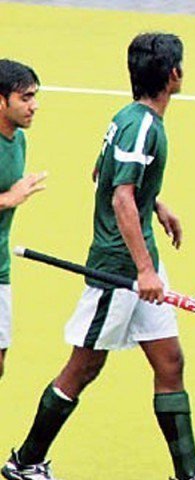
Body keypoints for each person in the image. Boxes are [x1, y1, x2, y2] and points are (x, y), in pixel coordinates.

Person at [1, 34, 195, 480]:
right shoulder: (143, 127)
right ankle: (25, 461)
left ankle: (189, 473)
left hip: (141, 261)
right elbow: (119, 196)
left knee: (170, 362)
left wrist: (154, 203)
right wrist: (144, 269)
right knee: (83, 367)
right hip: (119, 268)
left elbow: (104, 173)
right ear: (173, 74)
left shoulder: (128, 118)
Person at [0, 59, 47, 381]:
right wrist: (7, 199)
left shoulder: (19, 140)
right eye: (25, 98)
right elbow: (8, 198)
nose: (34, 106)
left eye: (34, 96)